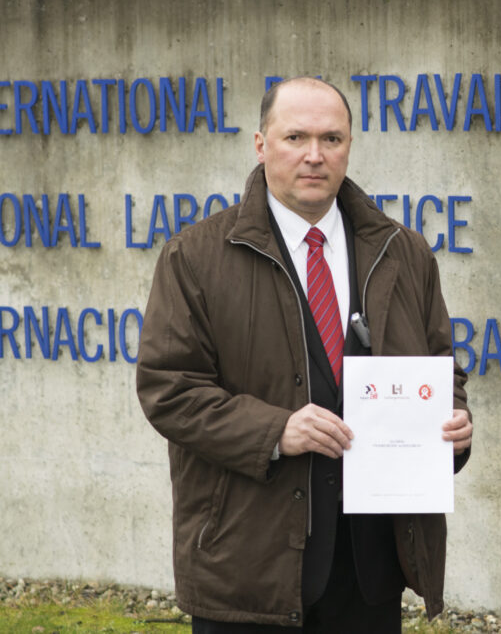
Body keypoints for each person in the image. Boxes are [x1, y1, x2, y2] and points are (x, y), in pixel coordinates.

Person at [137, 76, 472, 633]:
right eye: (295, 137)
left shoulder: (403, 251)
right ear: (260, 145)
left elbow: (442, 366)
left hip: (370, 567)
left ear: (349, 147)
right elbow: (169, 390)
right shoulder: (194, 256)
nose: (314, 155)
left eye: (331, 139)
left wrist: (454, 422)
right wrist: (275, 431)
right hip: (249, 561)